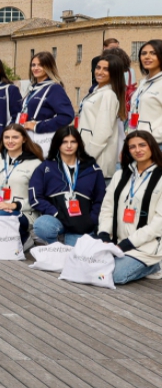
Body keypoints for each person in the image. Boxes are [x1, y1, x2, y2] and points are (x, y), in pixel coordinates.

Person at [98, 131, 162, 284]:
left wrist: (128, 244)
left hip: (147, 247)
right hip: (117, 243)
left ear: (151, 146)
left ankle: (156, 265)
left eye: (142, 145)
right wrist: (104, 235)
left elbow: (158, 224)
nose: (137, 150)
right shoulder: (120, 175)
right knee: (92, 267)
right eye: (132, 147)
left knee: (116, 276)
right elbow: (107, 208)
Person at [30, 126, 106, 246]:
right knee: (42, 225)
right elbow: (35, 197)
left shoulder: (92, 168)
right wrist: (55, 212)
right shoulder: (45, 167)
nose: (69, 146)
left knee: (78, 257)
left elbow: (101, 199)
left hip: (82, 223)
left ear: (79, 143)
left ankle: (70, 241)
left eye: (73, 142)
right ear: (57, 144)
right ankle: (56, 246)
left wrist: (92, 219)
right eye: (64, 142)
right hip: (57, 219)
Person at [0, 124, 44, 251]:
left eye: (15, 137)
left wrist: (14, 205)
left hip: (22, 213)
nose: (10, 141)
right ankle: (11, 238)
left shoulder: (36, 164)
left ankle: (24, 236)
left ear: (24, 139)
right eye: (6, 137)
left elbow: (39, 196)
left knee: (2, 219)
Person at [77, 54, 126, 178]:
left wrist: (87, 157)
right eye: (98, 68)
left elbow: (103, 132)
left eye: (106, 69)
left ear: (114, 73)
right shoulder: (96, 91)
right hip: (86, 154)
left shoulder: (108, 95)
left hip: (97, 160)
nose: (100, 72)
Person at [18, 51, 74, 156]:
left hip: (42, 138)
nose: (36, 68)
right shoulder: (33, 88)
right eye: (33, 65)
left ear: (49, 67)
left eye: (40, 65)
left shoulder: (54, 88)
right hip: (27, 137)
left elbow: (67, 116)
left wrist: (38, 126)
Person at [131, 40, 162, 141]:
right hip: (137, 143)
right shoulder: (143, 83)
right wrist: (130, 138)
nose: (147, 57)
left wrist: (151, 137)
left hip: (156, 144)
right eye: (143, 53)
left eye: (153, 53)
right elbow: (134, 112)